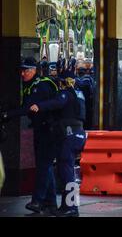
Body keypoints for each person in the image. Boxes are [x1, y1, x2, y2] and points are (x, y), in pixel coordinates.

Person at [1, 57, 60, 214]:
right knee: (45, 166)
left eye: (25, 70)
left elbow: (27, 108)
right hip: (41, 129)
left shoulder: (41, 86)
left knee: (43, 166)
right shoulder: (31, 85)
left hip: (49, 130)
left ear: (34, 70)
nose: (22, 73)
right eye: (21, 70)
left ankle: (37, 201)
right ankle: (51, 203)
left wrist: (7, 115)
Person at [29, 70, 87, 217]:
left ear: (63, 82)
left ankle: (71, 208)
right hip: (79, 134)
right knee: (69, 172)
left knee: (67, 173)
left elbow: (56, 103)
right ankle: (68, 206)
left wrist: (39, 106)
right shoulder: (79, 95)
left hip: (69, 135)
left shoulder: (66, 94)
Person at [75, 64, 95, 130]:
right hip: (87, 100)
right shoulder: (88, 78)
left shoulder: (75, 79)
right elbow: (92, 89)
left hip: (80, 100)